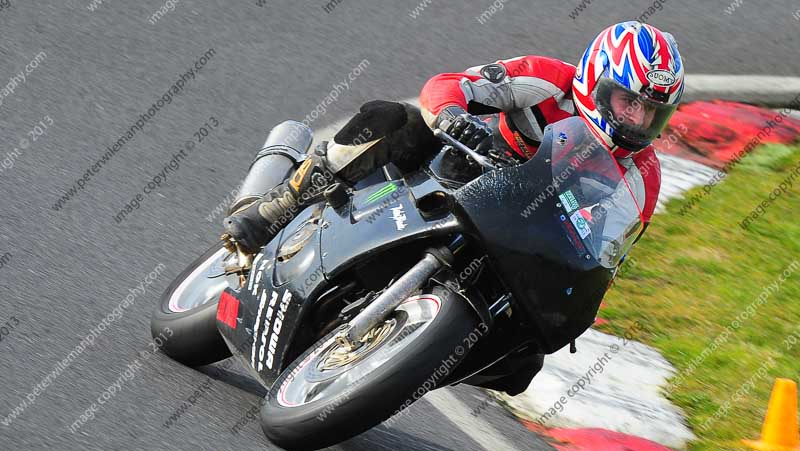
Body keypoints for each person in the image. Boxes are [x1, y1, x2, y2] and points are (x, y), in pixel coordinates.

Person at [223, 21, 684, 253]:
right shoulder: (546, 79)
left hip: (523, 234)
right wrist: (452, 117)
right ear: (597, 79)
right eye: (630, 102)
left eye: (651, 113)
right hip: (465, 168)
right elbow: (450, 83)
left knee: (525, 365)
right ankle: (283, 201)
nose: (637, 120)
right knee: (392, 118)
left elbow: (612, 251)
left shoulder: (643, 175)